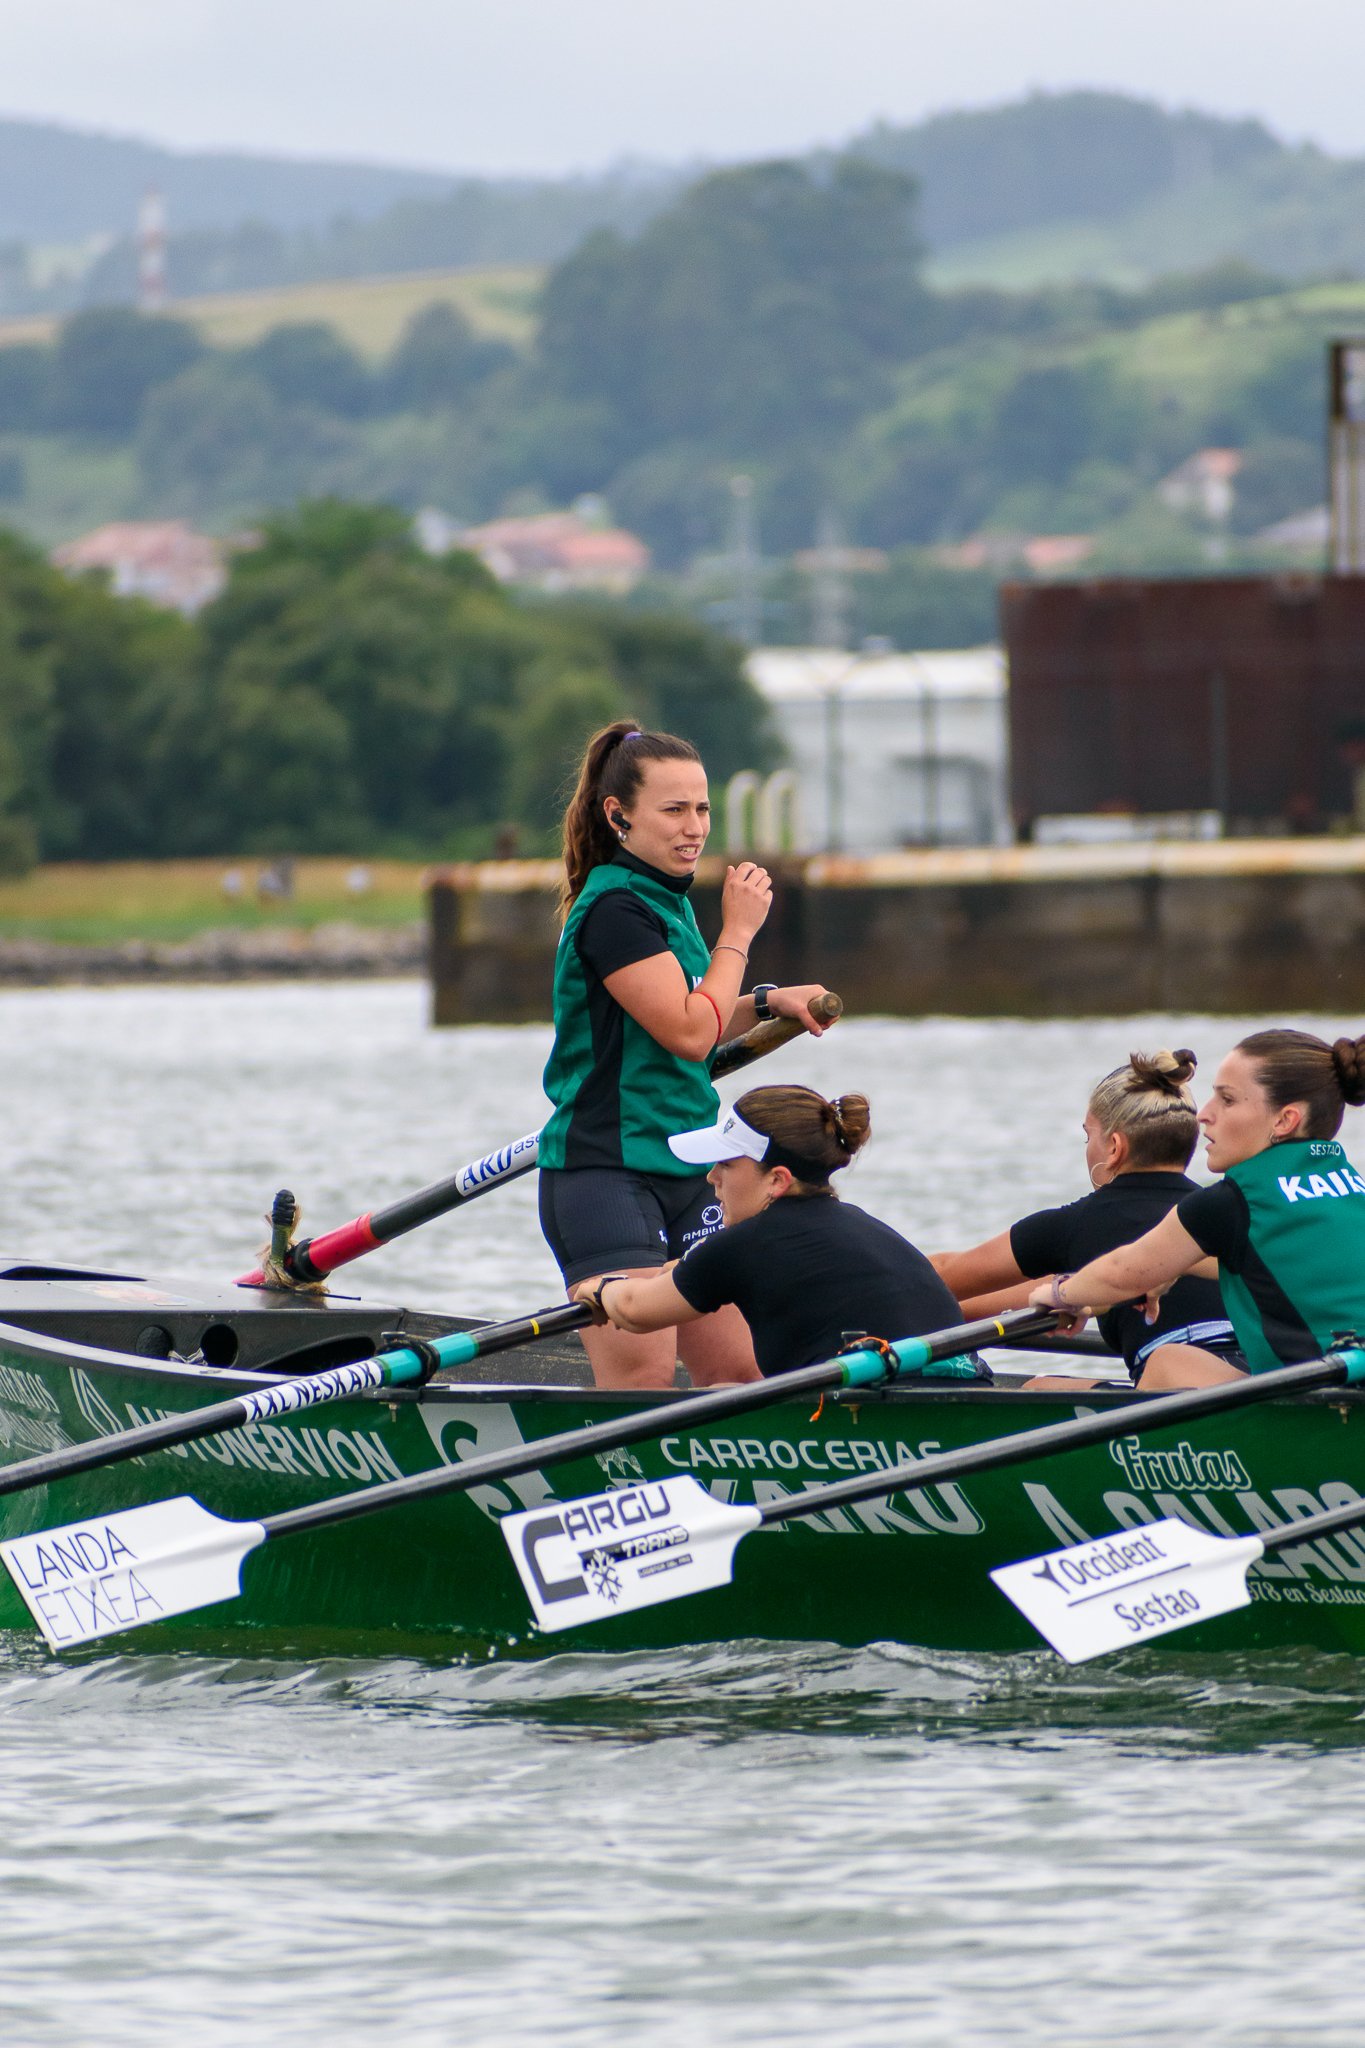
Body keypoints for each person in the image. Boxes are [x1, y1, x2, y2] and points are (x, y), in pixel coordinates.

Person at [539, 719, 831, 1392]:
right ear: (618, 816)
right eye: (673, 810)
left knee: (737, 1373)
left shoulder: (659, 900)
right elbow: (690, 1033)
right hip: (605, 1174)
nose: (693, 826)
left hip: (690, 1168)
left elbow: (689, 1006)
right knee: (642, 1386)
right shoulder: (614, 909)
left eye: (701, 808)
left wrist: (767, 1001)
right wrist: (738, 932)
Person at [1028, 1028, 1365, 1388]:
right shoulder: (1352, 1191)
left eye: (1227, 1100)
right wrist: (1173, 1270)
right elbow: (1284, 1265)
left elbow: (1122, 1272)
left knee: (1168, 1362)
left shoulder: (1230, 1202)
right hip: (1345, 1377)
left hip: (1316, 1402)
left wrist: (1061, 1293)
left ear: (1284, 1120)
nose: (1203, 1114)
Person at [571, 1083, 973, 1380]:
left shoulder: (745, 1244)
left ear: (777, 1181)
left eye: (726, 1165)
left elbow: (634, 1312)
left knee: (722, 1395)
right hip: (970, 1390)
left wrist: (599, 1288)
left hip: (881, 1417)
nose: (711, 1178)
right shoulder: (869, 1228)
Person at [933, 1049, 1240, 1391]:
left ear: (1114, 1148)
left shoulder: (1080, 1224)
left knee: (1040, 1390)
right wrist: (950, 1316)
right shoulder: (1223, 1209)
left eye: (1087, 1135)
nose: (1086, 1147)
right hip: (1267, 1371)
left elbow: (945, 1275)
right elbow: (1059, 1288)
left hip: (1186, 1383)